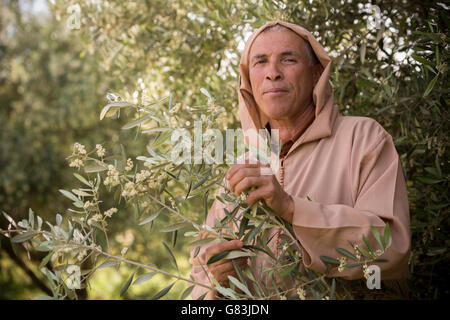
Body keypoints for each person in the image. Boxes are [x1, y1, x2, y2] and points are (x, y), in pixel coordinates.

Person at [189, 20, 411, 300]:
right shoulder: (241, 169)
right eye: (260, 62)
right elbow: (195, 285)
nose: (272, 73)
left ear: (317, 74)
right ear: (248, 81)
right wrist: (215, 284)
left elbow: (391, 247)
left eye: (288, 59)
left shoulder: (364, 138)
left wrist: (292, 209)